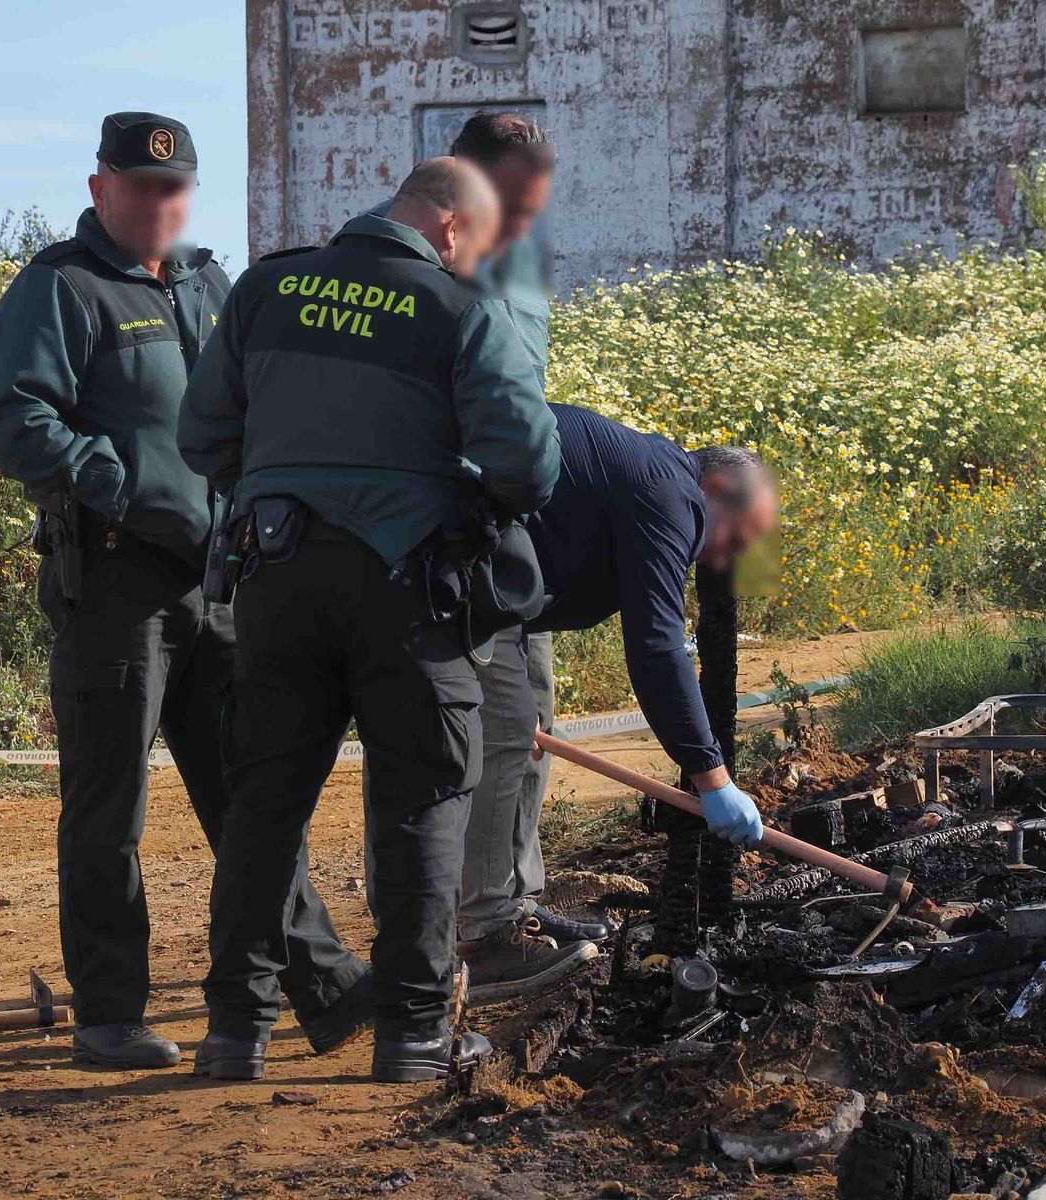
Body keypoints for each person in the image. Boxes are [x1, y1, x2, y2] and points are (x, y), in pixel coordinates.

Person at [0, 112, 370, 1070]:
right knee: (109, 811)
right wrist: (119, 484)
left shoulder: (205, 281)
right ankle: (110, 1016)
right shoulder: (61, 288)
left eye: (175, 189)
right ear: (101, 185)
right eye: (142, 187)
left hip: (223, 582)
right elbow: (12, 420)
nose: (160, 204)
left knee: (251, 797)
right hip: (116, 585)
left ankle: (325, 986)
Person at [178, 157, 560, 1082]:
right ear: (455, 233)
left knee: (265, 804)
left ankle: (236, 1034)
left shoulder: (267, 288)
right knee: (421, 802)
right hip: (408, 592)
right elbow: (529, 462)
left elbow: (202, 438)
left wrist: (283, 490)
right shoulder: (460, 309)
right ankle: (415, 1037)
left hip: (273, 579)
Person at [359, 112, 594, 1001]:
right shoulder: (417, 265)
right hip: (437, 543)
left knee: (527, 725)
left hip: (509, 531)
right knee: (447, 736)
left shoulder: (520, 267)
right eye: (515, 205)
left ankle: (511, 903)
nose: (527, 223)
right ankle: (454, 929)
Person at [460, 403, 776, 1002]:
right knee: (505, 735)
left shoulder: (660, 482)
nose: (727, 558)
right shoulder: (669, 493)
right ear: (713, 488)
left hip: (519, 573)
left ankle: (517, 902)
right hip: (471, 557)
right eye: (736, 536)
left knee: (535, 723)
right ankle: (483, 932)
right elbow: (657, 647)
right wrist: (712, 777)